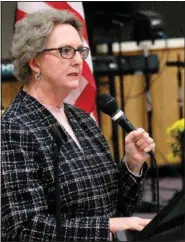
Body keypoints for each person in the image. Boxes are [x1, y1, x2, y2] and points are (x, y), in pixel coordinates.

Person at [2, 9, 155, 242]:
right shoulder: (13, 129)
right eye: (65, 51)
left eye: (80, 51)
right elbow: (24, 228)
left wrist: (132, 164)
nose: (77, 60)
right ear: (35, 63)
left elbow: (119, 211)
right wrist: (108, 225)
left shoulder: (82, 120)